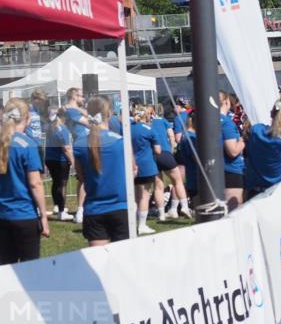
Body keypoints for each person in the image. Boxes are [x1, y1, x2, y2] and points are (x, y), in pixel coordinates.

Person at [0, 99, 49, 265]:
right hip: (24, 214)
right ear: (27, 118)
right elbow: (35, 183)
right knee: (30, 269)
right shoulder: (28, 144)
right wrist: (43, 216)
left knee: (3, 268)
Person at [73, 97, 131, 246]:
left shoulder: (79, 143)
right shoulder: (121, 142)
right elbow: (133, 171)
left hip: (94, 209)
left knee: (98, 264)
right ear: (110, 114)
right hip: (121, 208)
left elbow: (82, 177)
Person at [148, 105, 192, 220]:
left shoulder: (148, 124)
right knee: (178, 181)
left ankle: (161, 214)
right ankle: (184, 207)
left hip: (153, 156)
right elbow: (172, 136)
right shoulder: (165, 122)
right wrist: (172, 150)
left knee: (158, 186)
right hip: (165, 153)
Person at [130, 106, 160, 235]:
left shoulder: (127, 128)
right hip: (146, 165)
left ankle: (134, 223)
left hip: (131, 164)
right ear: (145, 115)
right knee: (144, 197)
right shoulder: (149, 130)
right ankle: (141, 225)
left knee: (135, 196)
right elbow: (158, 150)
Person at [62, 87, 90, 223]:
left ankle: (82, 209)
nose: (84, 98)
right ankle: (81, 211)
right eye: (81, 96)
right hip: (83, 145)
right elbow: (90, 123)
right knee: (85, 179)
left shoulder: (73, 110)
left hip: (84, 143)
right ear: (74, 97)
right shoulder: (71, 111)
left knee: (83, 179)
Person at [45, 109, 75, 221]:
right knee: (62, 184)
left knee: (56, 183)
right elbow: (66, 148)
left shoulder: (50, 127)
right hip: (60, 160)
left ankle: (57, 207)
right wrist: (74, 162)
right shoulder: (63, 129)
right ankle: (62, 212)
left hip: (50, 158)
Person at [219, 91, 246, 210]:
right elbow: (233, 151)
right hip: (232, 170)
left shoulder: (207, 120)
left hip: (217, 169)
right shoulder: (226, 122)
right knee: (234, 211)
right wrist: (245, 138)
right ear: (226, 102)